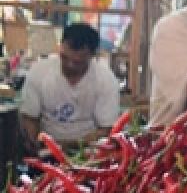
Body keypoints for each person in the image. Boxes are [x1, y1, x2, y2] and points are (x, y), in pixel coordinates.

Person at [19, 22, 120, 151]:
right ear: (60, 47)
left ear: (92, 55)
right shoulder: (39, 72)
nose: (70, 65)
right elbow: (30, 117)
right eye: (64, 58)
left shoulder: (105, 80)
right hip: (45, 150)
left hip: (89, 151)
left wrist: (66, 146)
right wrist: (33, 142)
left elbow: (106, 129)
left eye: (77, 62)